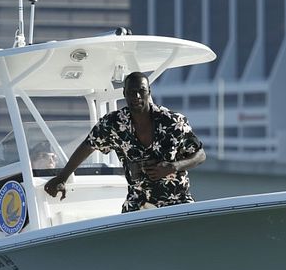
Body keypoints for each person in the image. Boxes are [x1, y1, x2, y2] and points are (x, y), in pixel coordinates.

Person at [44, 71, 206, 212]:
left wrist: (173, 166)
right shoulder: (114, 124)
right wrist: (62, 178)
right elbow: (88, 145)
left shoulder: (173, 122)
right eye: (131, 92)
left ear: (148, 92)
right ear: (124, 93)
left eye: (141, 91)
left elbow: (200, 155)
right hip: (138, 202)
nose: (136, 96)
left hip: (176, 202)